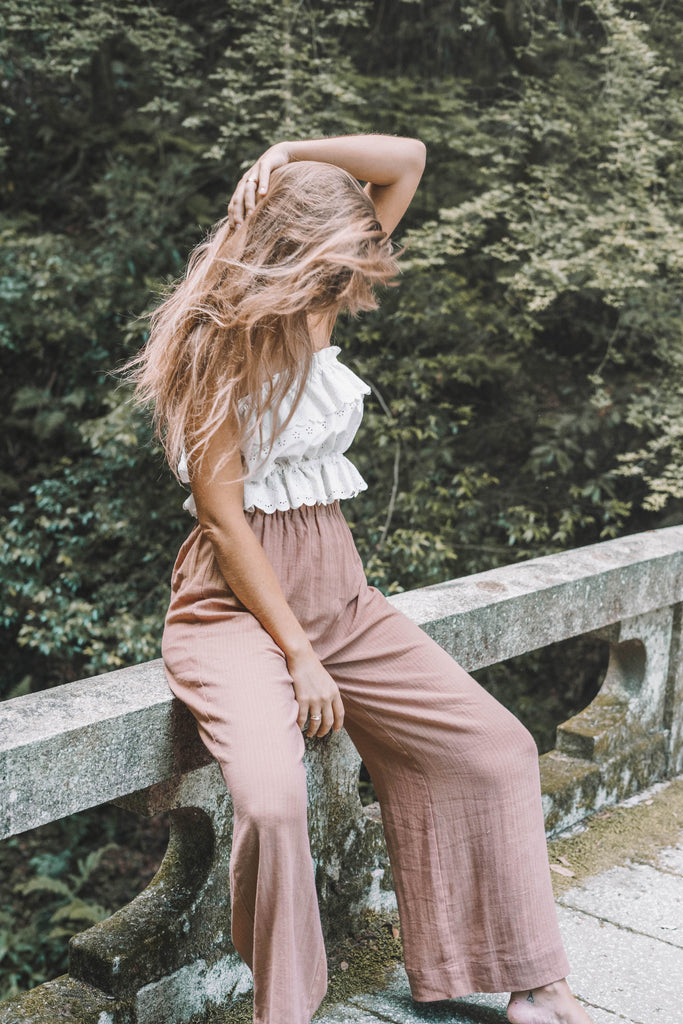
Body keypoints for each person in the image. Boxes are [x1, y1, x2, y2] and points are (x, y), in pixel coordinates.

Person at [128, 135, 594, 1024]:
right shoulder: (211, 346)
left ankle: (534, 983)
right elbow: (225, 521)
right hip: (235, 609)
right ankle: (286, 1012)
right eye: (340, 262)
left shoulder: (317, 299)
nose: (356, 280)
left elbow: (408, 159)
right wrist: (299, 657)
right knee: (272, 804)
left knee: (496, 749)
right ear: (291, 252)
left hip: (338, 589)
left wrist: (292, 148)